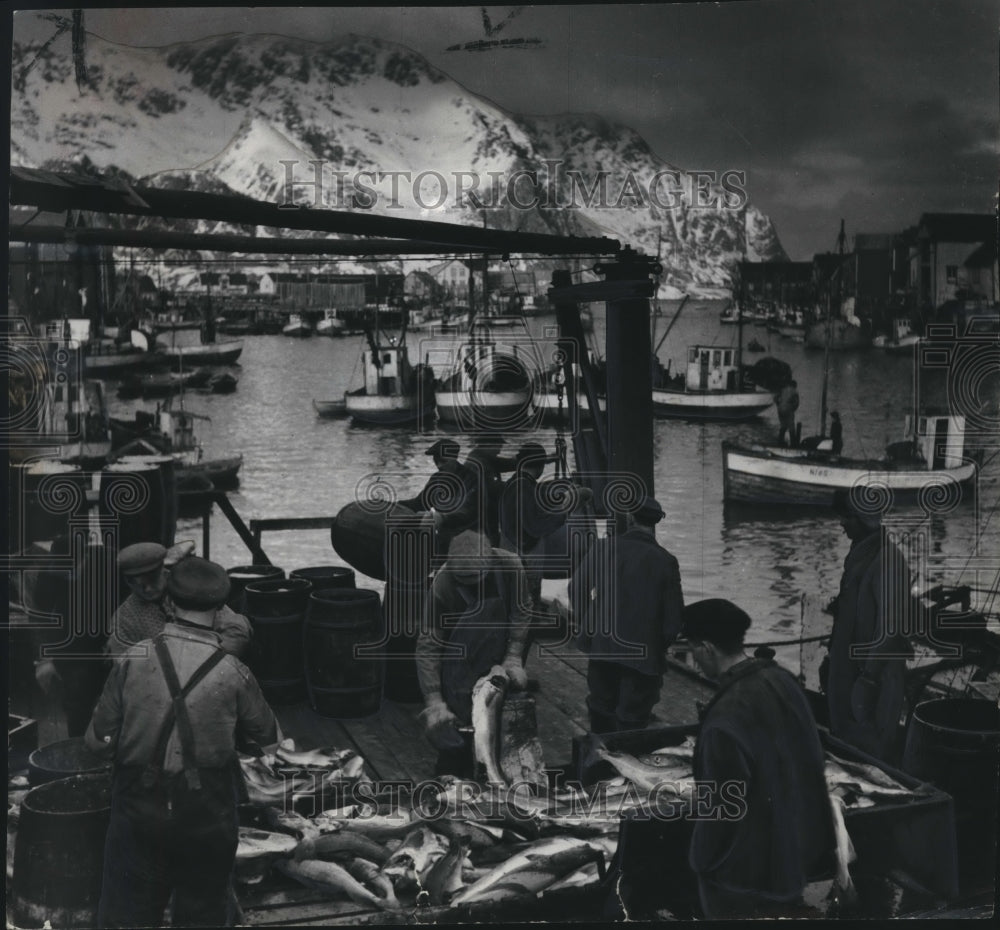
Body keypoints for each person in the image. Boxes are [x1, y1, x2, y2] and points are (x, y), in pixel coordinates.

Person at [85, 556, 278, 929]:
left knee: (127, 913)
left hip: (139, 807)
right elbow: (269, 741)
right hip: (207, 811)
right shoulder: (234, 671)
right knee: (203, 911)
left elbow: (97, 742)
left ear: (170, 604)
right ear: (219, 609)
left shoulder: (130, 662)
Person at [677, 598, 838, 919]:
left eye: (693, 649)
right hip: (797, 857)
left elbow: (722, 811)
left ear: (708, 647)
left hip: (745, 880)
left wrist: (702, 863)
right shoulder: (784, 682)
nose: (693, 659)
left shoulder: (723, 721)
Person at [415, 529, 531, 777]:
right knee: (456, 741)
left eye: (474, 578)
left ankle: (502, 781)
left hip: (500, 661)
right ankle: (452, 783)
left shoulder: (511, 566)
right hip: (459, 666)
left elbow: (521, 611)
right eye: (462, 578)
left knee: (505, 733)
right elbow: (428, 644)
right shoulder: (442, 583)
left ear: (489, 561)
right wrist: (434, 700)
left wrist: (514, 654)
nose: (467, 584)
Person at [570, 496, 684, 734]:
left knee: (600, 710)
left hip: (602, 646)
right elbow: (673, 621)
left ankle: (598, 763)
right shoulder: (666, 561)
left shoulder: (602, 548)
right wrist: (659, 645)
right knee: (633, 719)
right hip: (643, 655)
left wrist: (588, 624)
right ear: (656, 523)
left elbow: (576, 589)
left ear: (630, 517)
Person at [825, 489, 912, 763]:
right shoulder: (859, 555)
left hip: (873, 680)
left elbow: (891, 628)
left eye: (847, 517)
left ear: (864, 519)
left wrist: (868, 680)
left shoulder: (889, 562)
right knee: (846, 747)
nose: (841, 523)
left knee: (870, 753)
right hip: (848, 673)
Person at [28, 536, 117, 737]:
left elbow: (124, 603)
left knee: (113, 703)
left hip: (106, 637)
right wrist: (44, 659)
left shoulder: (108, 564)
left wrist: (115, 637)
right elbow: (38, 616)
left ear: (84, 557)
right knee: (77, 704)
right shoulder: (49, 575)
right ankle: (77, 750)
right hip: (71, 644)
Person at [105, 541, 252, 661]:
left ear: (163, 571)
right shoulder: (124, 619)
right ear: (127, 582)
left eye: (152, 580)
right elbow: (123, 665)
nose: (148, 589)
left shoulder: (191, 589)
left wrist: (206, 663)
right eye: (138, 585)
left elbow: (238, 630)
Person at [398, 438, 474, 556]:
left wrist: (441, 517)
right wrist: (395, 504)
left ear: (454, 458)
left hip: (468, 536)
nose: (439, 466)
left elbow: (468, 512)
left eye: (443, 461)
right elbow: (419, 503)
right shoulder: (436, 478)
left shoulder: (471, 478)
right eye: (436, 461)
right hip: (440, 532)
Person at [459, 433, 519, 546]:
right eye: (498, 446)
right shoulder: (479, 463)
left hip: (482, 513)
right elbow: (493, 488)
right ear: (487, 445)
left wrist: (540, 458)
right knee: (490, 542)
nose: (499, 450)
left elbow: (509, 463)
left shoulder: (481, 457)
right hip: (481, 515)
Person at [775, 378, 800, 446]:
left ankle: (780, 442)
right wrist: (792, 409)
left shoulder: (782, 390)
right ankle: (793, 444)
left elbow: (775, 398)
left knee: (783, 425)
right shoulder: (794, 391)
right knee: (791, 427)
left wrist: (779, 405)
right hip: (789, 409)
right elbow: (797, 403)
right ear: (795, 385)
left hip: (780, 409)